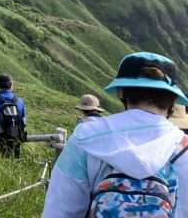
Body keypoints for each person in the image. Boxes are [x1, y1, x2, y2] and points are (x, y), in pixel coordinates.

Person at [43, 51, 188, 218]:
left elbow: (59, 210)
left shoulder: (86, 138)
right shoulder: (183, 148)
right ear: (173, 100)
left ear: (121, 93)